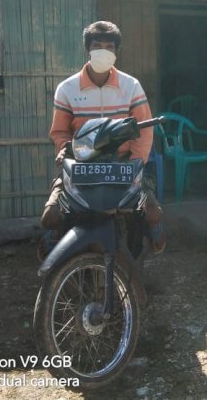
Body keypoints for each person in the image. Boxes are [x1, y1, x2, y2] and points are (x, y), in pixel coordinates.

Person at [40, 21, 164, 255]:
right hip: (80, 165)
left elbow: (144, 130)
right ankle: (54, 243)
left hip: (124, 163)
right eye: (98, 46)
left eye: (109, 47)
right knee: (51, 217)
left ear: (116, 51)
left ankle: (152, 232)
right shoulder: (67, 88)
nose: (103, 52)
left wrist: (135, 163)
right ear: (88, 48)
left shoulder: (131, 86)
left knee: (152, 213)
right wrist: (65, 149)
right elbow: (60, 132)